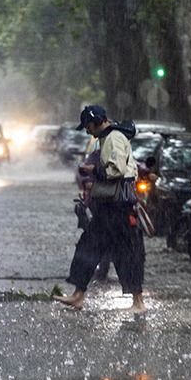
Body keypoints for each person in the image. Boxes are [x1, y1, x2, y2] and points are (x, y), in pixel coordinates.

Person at [54, 105, 147, 314]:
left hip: (118, 207)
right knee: (89, 246)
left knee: (127, 252)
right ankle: (78, 295)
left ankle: (138, 302)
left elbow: (116, 170)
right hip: (109, 208)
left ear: (97, 121)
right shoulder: (108, 138)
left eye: (88, 126)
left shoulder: (113, 138)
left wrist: (92, 170)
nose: (88, 131)